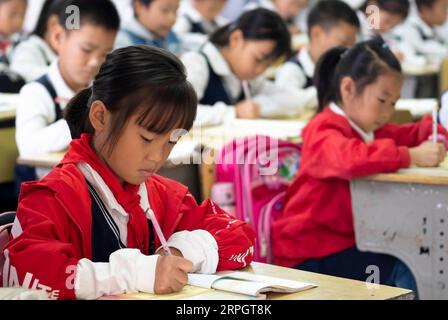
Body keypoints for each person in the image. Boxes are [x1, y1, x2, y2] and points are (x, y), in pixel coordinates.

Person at [2, 45, 256, 300]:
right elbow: (28, 274)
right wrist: (132, 273)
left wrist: (180, 252)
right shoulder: (54, 197)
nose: (157, 157)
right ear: (100, 116)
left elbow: (239, 236)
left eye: (171, 141)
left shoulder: (159, 194)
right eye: (146, 138)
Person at [272, 38, 448, 295]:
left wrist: (437, 132)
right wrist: (410, 156)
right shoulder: (323, 128)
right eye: (382, 100)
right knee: (406, 264)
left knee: (422, 251)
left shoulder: (367, 128)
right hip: (309, 251)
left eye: (394, 103)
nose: (388, 112)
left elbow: (409, 133)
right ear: (348, 89)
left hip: (344, 242)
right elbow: (350, 158)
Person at [182, 8, 303, 126]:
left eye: (267, 66)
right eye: (258, 59)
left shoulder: (246, 78)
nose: (260, 70)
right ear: (236, 39)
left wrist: (258, 107)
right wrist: (234, 112)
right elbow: (180, 112)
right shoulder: (197, 63)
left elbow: (292, 99)